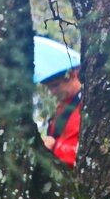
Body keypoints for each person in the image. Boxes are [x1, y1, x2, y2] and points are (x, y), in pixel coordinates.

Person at [34, 36, 82, 167]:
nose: (52, 92)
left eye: (55, 86)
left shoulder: (88, 106)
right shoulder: (62, 106)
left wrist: (54, 147)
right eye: (49, 88)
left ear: (72, 75)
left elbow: (91, 156)